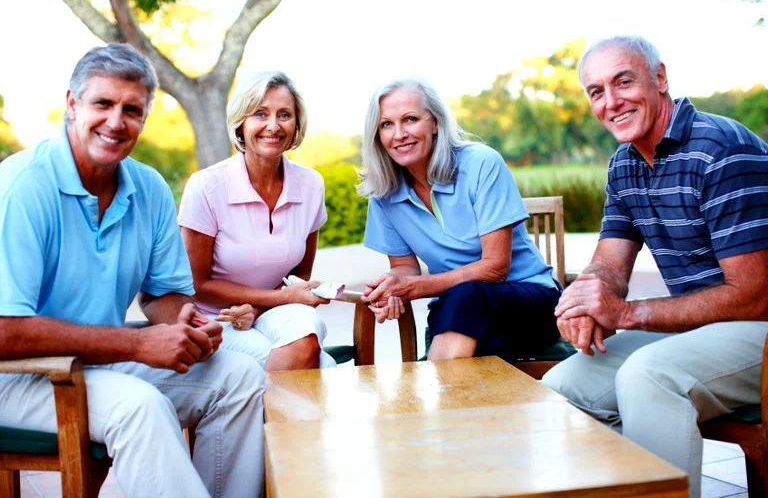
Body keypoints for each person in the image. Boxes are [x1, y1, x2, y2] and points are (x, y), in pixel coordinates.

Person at [0, 44, 266, 497]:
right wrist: (138, 343)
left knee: (240, 376)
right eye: (102, 103)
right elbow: (5, 331)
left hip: (100, 362)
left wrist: (190, 325)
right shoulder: (22, 188)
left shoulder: (148, 188)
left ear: (144, 118)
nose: (116, 121)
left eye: (132, 109)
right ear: (72, 104)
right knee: (141, 408)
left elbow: (165, 295)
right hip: (18, 376)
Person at [542, 35, 768, 498]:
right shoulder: (625, 164)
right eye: (597, 91)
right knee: (560, 386)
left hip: (758, 326)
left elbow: (754, 295)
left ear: (660, 78)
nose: (611, 102)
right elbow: (610, 260)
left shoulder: (720, 149)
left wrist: (626, 314)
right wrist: (585, 299)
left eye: (623, 82)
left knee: (648, 376)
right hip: (699, 327)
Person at [359, 78, 561, 361]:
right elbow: (405, 268)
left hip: (529, 303)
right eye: (387, 124)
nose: (399, 134)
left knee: (464, 299)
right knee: (459, 306)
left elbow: (496, 268)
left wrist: (415, 288)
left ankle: (432, 393)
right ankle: (450, 395)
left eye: (411, 119)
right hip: (459, 311)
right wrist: (391, 287)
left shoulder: (481, 163)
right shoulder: (383, 194)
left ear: (435, 123)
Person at [178, 71, 335, 371]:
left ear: (296, 124)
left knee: (307, 328)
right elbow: (196, 284)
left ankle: (268, 419)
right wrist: (269, 302)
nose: (273, 126)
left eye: (284, 115)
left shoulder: (311, 184)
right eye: (260, 114)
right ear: (241, 122)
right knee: (324, 368)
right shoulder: (206, 186)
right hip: (215, 319)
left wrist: (261, 305)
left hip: (271, 310)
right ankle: (271, 419)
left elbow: (298, 277)